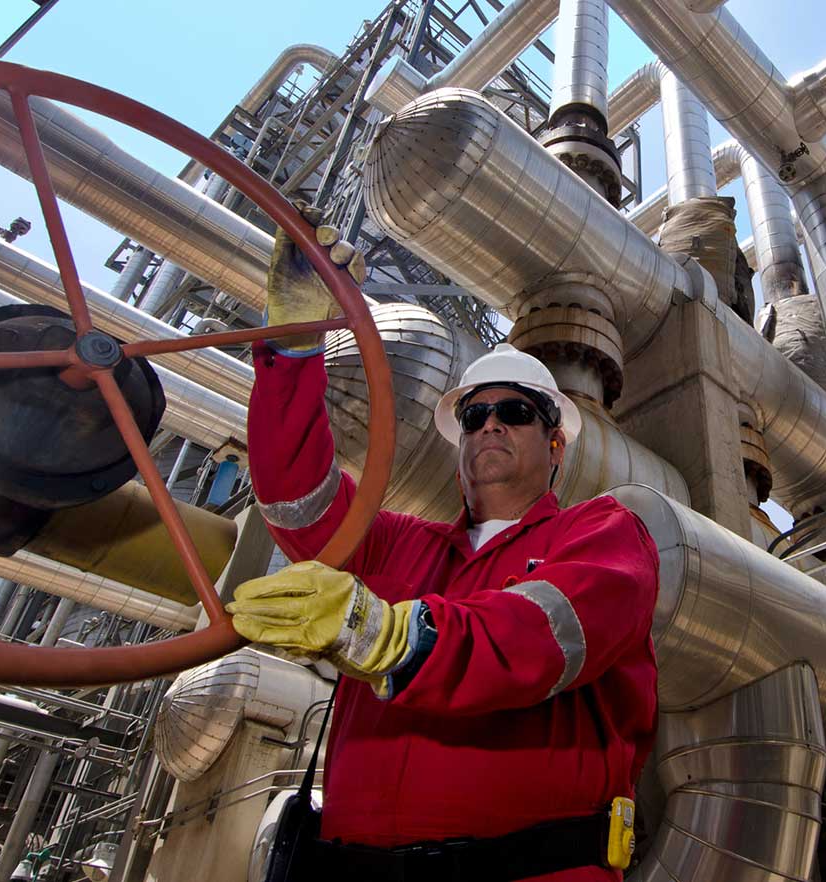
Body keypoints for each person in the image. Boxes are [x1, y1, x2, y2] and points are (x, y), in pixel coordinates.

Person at [228, 207, 660, 882]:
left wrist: (392, 637)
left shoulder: (604, 533)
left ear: (555, 443)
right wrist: (292, 347)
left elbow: (541, 636)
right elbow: (297, 500)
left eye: (514, 411)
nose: (489, 425)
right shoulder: (402, 544)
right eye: (474, 414)